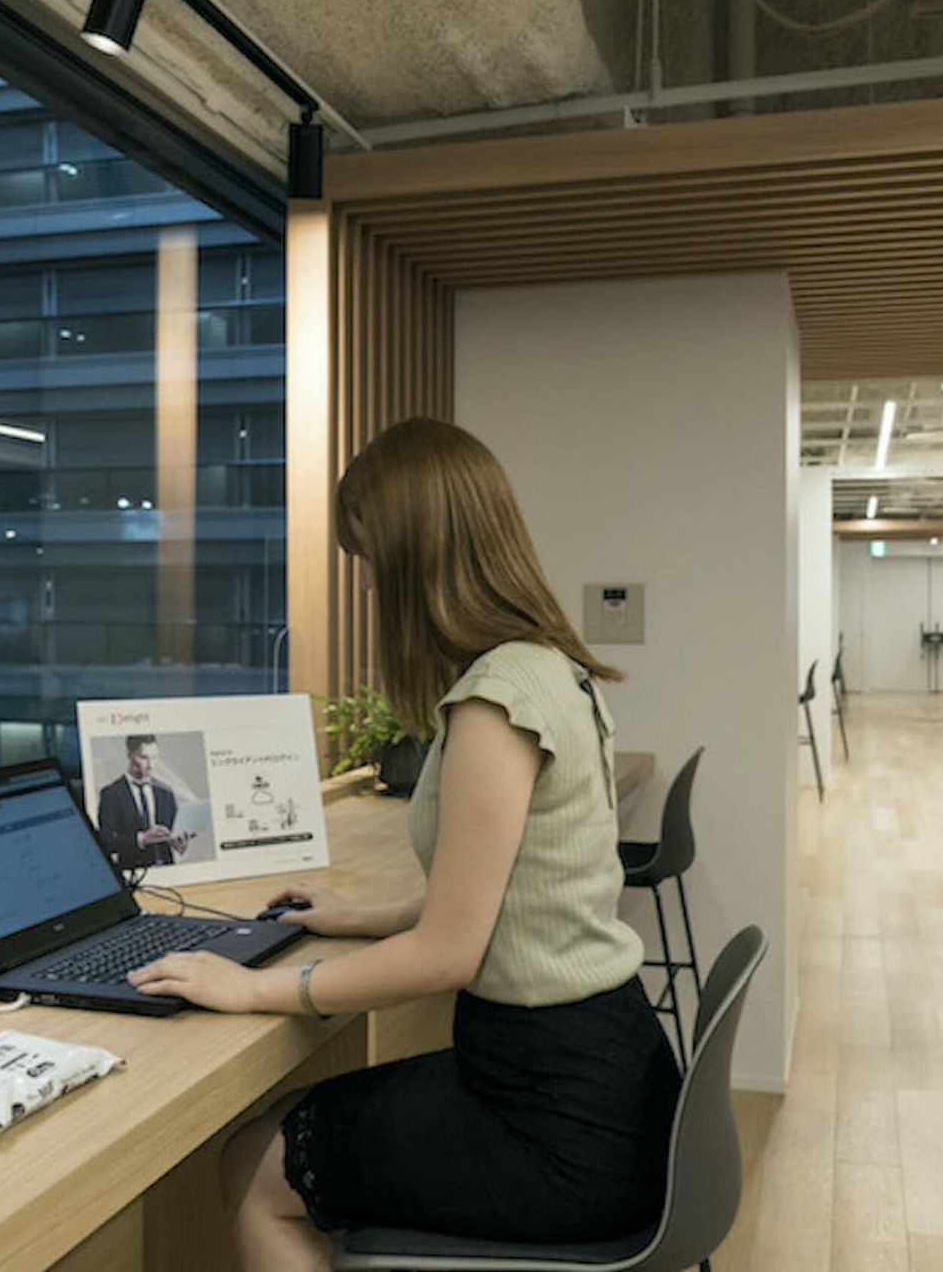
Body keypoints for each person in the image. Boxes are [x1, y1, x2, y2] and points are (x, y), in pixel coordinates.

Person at [126, 419, 680, 1271]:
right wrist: (360, 914)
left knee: (254, 1168)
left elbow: (448, 953)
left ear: (418, 558)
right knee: (292, 1137)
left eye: (372, 561)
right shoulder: (550, 668)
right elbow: (511, 889)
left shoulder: (495, 701)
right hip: (606, 1073)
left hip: (554, 1116)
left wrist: (259, 988)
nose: (371, 586)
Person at [96, 734, 194, 868]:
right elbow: (105, 842)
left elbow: (173, 833)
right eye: (143, 757)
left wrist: (180, 843)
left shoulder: (166, 791)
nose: (151, 765)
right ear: (129, 755)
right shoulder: (111, 794)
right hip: (133, 872)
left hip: (168, 869)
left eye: (155, 757)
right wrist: (142, 838)